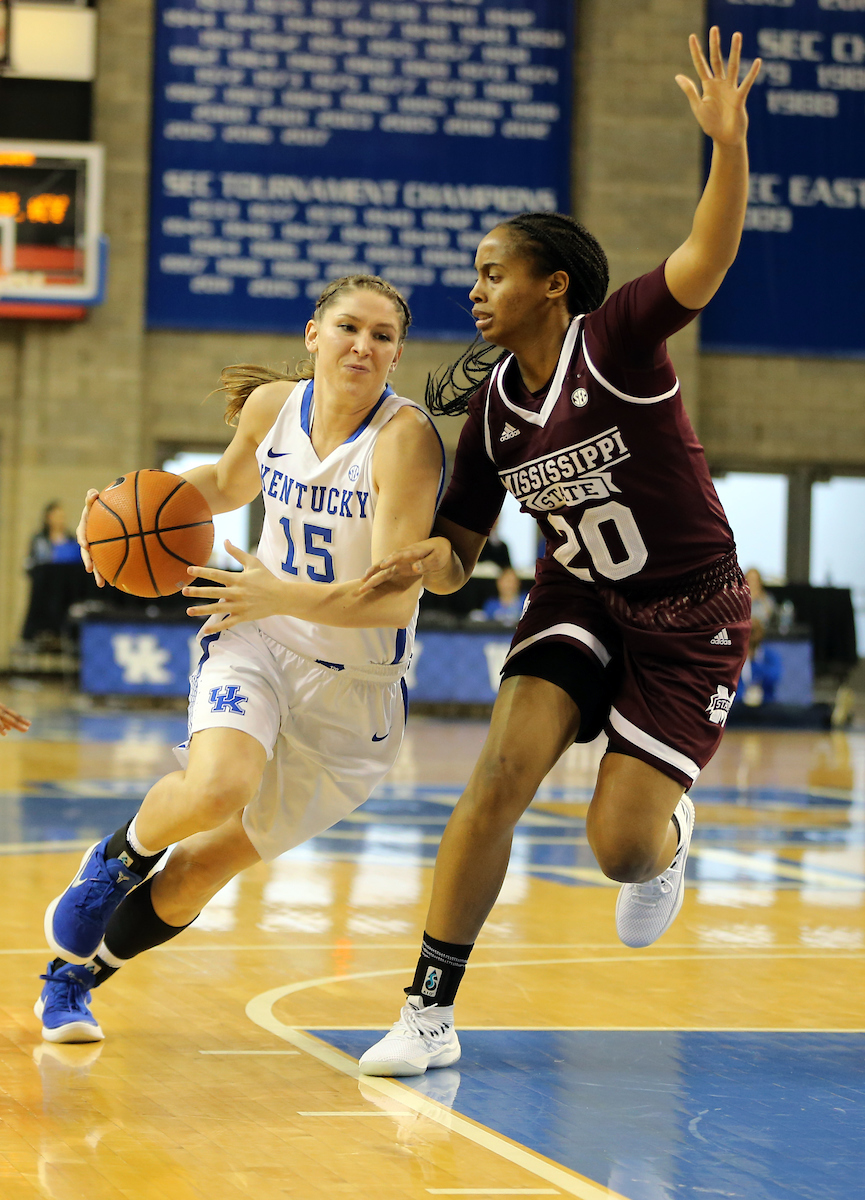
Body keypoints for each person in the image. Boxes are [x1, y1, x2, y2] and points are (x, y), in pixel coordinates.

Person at [356, 29, 760, 1077]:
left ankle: (666, 845)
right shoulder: (490, 410)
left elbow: (706, 258)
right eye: (475, 275)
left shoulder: (617, 337)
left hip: (689, 614)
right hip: (577, 600)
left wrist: (727, 144)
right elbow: (457, 548)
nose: (476, 289)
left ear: (551, 284)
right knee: (496, 775)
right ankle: (428, 1012)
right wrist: (422, 567)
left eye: (494, 272)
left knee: (615, 846)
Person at [35, 274, 444, 1043]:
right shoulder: (271, 408)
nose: (364, 345)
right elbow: (224, 484)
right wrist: (117, 513)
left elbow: (391, 599)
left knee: (199, 869)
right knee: (218, 787)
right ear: (312, 334)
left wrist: (280, 593)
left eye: (382, 335)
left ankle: (83, 979)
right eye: (349, 327)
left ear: (396, 353)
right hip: (256, 633)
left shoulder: (404, 441)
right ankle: (111, 865)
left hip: (355, 691)